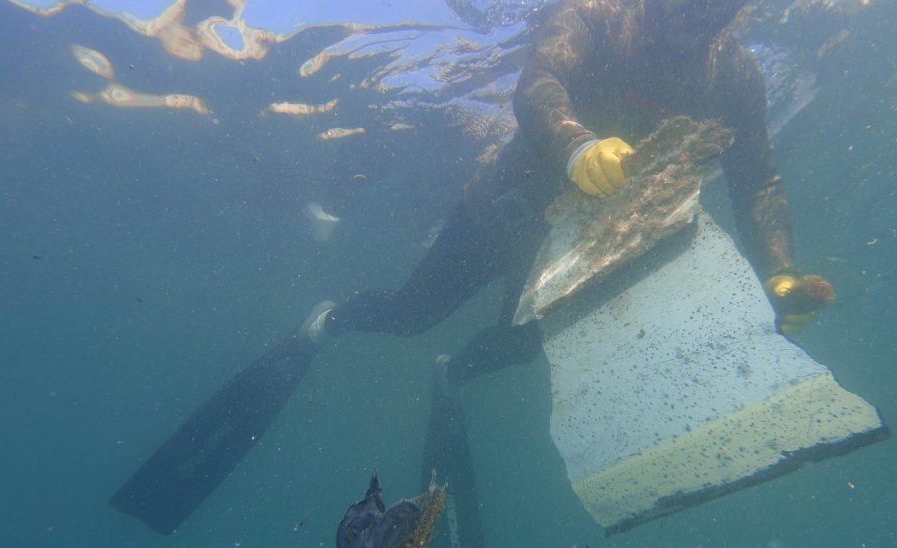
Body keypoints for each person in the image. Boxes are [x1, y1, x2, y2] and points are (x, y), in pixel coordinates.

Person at [302, 0, 834, 387]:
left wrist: (778, 270)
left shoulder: (736, 77)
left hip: (590, 244)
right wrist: (578, 146)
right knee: (411, 316)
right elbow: (539, 81)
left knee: (518, 349)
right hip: (506, 208)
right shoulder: (599, 14)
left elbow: (757, 180)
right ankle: (329, 322)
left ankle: (453, 373)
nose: (693, 14)